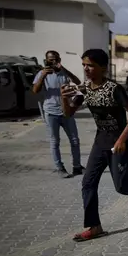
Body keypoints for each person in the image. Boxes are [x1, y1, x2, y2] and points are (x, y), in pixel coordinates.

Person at [60, 49, 128, 242]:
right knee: (88, 183)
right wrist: (63, 98)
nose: (86, 68)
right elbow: (68, 113)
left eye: (90, 65)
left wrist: (120, 140)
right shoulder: (85, 89)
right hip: (100, 143)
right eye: (84, 64)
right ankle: (94, 227)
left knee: (122, 186)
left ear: (103, 68)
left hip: (120, 144)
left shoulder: (114, 89)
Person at [32, 50, 84, 178]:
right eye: (51, 59)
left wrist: (64, 69)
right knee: (55, 141)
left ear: (59, 59)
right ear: (46, 60)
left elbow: (77, 82)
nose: (53, 61)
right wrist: (43, 75)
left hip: (67, 111)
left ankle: (77, 166)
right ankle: (59, 168)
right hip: (51, 112)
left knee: (75, 140)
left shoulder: (63, 73)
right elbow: (35, 90)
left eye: (56, 59)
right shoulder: (41, 73)